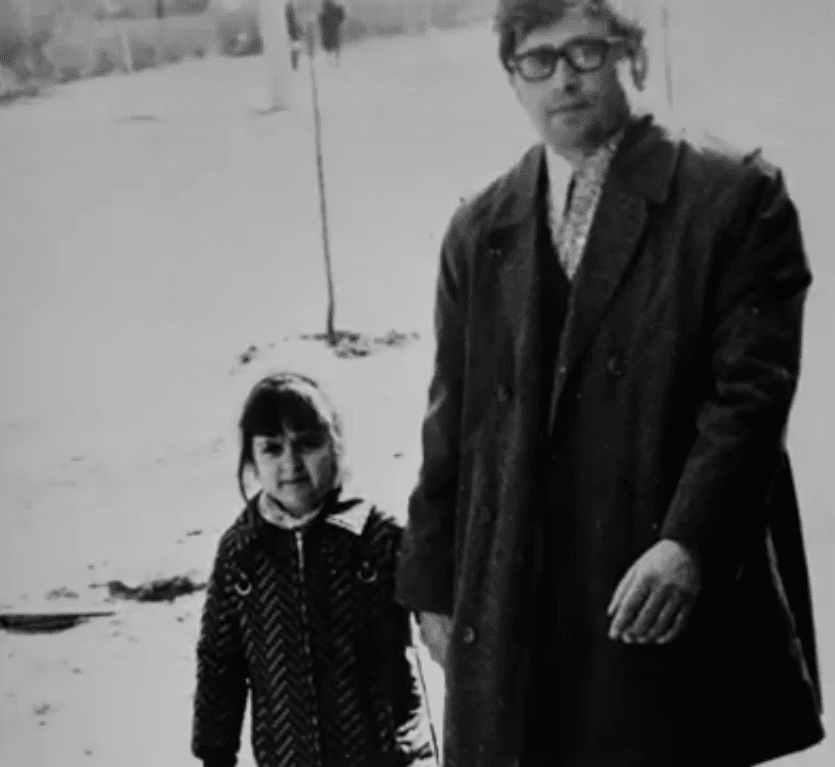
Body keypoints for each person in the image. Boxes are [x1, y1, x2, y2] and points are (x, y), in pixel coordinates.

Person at [394, 2, 825, 766]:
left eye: (585, 52)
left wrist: (688, 542)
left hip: (657, 597)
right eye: (537, 60)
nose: (562, 79)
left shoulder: (730, 196)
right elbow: (450, 418)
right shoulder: (479, 228)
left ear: (633, 57)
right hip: (520, 601)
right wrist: (432, 583)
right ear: (512, 79)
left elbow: (750, 398)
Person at [192, 372, 437, 767]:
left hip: (380, 755)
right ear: (251, 461)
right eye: (272, 449)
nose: (291, 464)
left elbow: (439, 628)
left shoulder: (376, 538)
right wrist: (214, 753)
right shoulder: (241, 552)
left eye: (307, 444)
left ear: (335, 445)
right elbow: (220, 662)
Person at [319, 0, 346, 65]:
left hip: (328, 32)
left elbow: (321, 21)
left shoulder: (325, 11)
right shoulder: (336, 9)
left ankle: (331, 59)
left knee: (330, 46)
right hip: (333, 31)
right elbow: (342, 17)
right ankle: (334, 60)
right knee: (334, 45)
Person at [285, 1, 303, 71]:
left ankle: (294, 65)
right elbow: (295, 26)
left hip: (294, 37)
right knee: (295, 51)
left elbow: (295, 26)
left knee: (295, 51)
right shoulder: (291, 20)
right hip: (294, 37)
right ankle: (294, 65)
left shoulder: (291, 20)